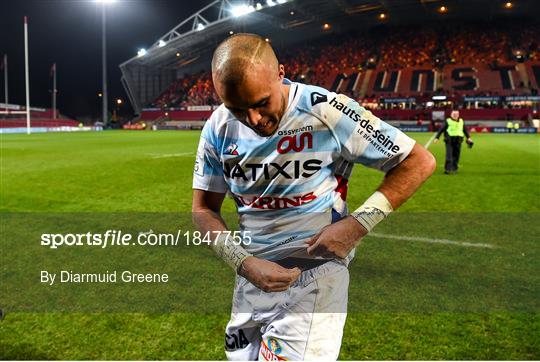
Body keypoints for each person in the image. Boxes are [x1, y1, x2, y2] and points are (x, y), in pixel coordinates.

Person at [192, 33, 435, 360]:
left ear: (281, 73)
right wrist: (244, 263)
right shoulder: (217, 127)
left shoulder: (327, 112)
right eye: (237, 109)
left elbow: (418, 161)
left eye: (262, 102)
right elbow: (203, 209)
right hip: (252, 279)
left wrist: (356, 226)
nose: (253, 120)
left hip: (314, 278)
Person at [434, 110, 472, 174]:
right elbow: (441, 129)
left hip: (459, 140)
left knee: (456, 155)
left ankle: (454, 169)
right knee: (449, 155)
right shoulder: (448, 121)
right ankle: (447, 169)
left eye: (456, 114)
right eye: (454, 114)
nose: (455, 115)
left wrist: (468, 138)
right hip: (449, 140)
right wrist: (437, 138)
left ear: (458, 115)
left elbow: (465, 130)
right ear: (451, 114)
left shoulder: (461, 121)